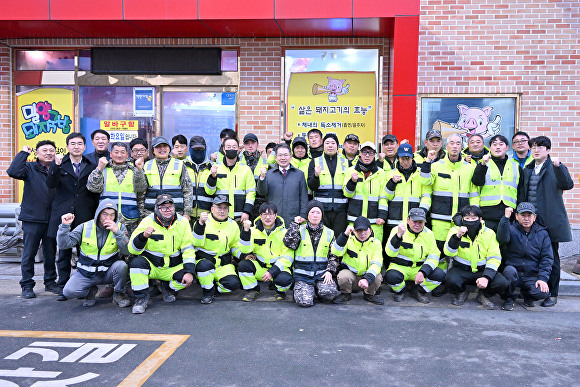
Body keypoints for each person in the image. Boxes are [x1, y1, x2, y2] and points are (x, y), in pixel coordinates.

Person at [520, 135, 574, 307]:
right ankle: (535, 290)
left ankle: (553, 293)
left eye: (540, 147)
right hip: (531, 221)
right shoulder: (528, 169)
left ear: (548, 150)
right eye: (533, 147)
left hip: (550, 221)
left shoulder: (554, 166)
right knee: (530, 255)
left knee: (551, 257)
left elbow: (568, 184)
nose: (536, 150)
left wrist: (559, 166)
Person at [47, 133, 99, 301]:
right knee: (63, 252)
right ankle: (62, 286)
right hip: (63, 215)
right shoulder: (60, 165)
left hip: (85, 213)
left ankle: (84, 287)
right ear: (67, 147)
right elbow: (50, 184)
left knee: (85, 251)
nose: (76, 146)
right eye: (73, 144)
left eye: (80, 144)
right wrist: (55, 165)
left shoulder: (92, 165)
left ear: (85, 147)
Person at [128, 194, 196, 314]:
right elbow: (132, 249)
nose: (168, 210)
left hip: (173, 268)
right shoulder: (147, 221)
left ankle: (167, 287)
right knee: (136, 264)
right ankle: (141, 298)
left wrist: (189, 272)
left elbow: (188, 249)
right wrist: (143, 236)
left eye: (170, 207)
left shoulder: (183, 222)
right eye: (163, 207)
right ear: (156, 209)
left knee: (190, 277)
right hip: (153, 266)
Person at [420, 133, 479, 270]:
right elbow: (425, 181)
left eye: (458, 143)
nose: (454, 146)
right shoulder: (436, 166)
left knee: (458, 251)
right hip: (440, 220)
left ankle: (453, 280)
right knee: (439, 253)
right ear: (446, 146)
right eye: (451, 143)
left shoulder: (469, 168)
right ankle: (439, 281)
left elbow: (474, 194)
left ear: (461, 147)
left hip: (461, 220)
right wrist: (428, 161)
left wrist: (475, 216)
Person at [7, 141, 58, 299]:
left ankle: (50, 282)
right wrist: (23, 153)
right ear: (37, 153)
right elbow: (13, 171)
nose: (48, 153)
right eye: (44, 150)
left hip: (53, 218)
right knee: (29, 253)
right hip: (32, 218)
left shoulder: (58, 168)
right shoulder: (29, 168)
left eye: (51, 150)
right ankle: (27, 285)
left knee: (50, 253)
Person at [58, 199, 131, 308]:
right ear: (98, 214)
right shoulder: (85, 227)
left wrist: (117, 233)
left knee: (122, 266)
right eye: (105, 214)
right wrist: (64, 226)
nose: (108, 218)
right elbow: (64, 245)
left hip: (108, 272)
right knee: (68, 292)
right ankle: (90, 292)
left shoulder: (119, 227)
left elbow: (126, 251)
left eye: (112, 215)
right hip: (86, 273)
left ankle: (119, 293)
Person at [443, 205, 507, 310]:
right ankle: (462, 292)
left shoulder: (489, 233)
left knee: (501, 283)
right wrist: (457, 237)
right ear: (462, 219)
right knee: (450, 280)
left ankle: (484, 296)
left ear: (480, 219)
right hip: (462, 269)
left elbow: (494, 257)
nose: (470, 221)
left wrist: (486, 277)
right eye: (467, 218)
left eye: (474, 218)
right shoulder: (454, 230)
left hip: (483, 270)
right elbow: (448, 253)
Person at [283, 200, 340, 307]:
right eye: (312, 212)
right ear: (307, 214)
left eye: (318, 212)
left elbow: (334, 255)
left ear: (322, 215)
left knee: (330, 294)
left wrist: (329, 271)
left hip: (321, 275)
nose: (315, 215)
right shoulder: (299, 229)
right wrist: (295, 224)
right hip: (303, 276)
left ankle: (316, 290)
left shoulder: (329, 233)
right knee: (305, 302)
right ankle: (307, 290)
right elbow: (289, 243)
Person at [497, 203, 553, 310]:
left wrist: (542, 279)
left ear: (534, 217)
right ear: (517, 216)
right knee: (508, 272)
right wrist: (505, 218)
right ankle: (509, 298)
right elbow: (502, 238)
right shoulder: (511, 229)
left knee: (542, 292)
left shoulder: (543, 234)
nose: (526, 218)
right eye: (523, 215)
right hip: (514, 272)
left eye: (529, 215)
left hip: (532, 274)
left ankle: (527, 295)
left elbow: (547, 258)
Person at [384, 208, 445, 303]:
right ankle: (401, 291)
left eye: (420, 222)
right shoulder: (397, 230)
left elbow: (434, 256)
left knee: (439, 274)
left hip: (419, 268)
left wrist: (423, 272)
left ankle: (417, 291)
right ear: (408, 220)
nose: (417, 225)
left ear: (424, 222)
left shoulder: (429, 234)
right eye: (414, 221)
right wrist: (398, 236)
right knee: (391, 276)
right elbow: (390, 253)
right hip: (400, 267)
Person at [87, 142, 147, 235]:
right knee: (108, 247)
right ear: (110, 154)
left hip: (130, 220)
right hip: (107, 219)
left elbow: (141, 189)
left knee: (128, 247)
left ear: (127, 154)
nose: (119, 155)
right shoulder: (103, 169)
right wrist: (99, 168)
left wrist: (139, 170)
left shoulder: (135, 170)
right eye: (116, 152)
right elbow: (92, 188)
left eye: (123, 152)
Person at [237, 202, 294, 301]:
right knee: (243, 265)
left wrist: (272, 272)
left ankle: (279, 291)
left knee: (286, 280)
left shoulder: (285, 233)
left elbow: (288, 257)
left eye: (270, 214)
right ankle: (253, 290)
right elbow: (244, 250)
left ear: (275, 216)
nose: (267, 217)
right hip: (260, 268)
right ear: (260, 216)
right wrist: (245, 231)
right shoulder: (253, 231)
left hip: (277, 269)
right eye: (264, 214)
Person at [193, 195, 243, 304]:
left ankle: (214, 287)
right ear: (212, 209)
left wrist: (244, 256)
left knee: (234, 284)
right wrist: (200, 224)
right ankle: (208, 292)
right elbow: (195, 243)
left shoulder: (233, 224)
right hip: (205, 263)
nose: (222, 211)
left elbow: (235, 246)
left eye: (225, 208)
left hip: (223, 266)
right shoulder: (203, 221)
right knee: (204, 266)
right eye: (219, 207)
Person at [471, 134, 523, 232]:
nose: (498, 147)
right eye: (494, 145)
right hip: (487, 214)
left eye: (501, 144)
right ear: (490, 148)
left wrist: (519, 213)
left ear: (507, 147)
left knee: (506, 244)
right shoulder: (484, 164)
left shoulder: (515, 166)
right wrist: (482, 164)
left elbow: (521, 191)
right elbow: (476, 182)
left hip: (509, 214)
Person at [331, 216, 384, 305]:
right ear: (354, 231)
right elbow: (336, 251)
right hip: (352, 277)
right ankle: (346, 294)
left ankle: (369, 294)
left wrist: (367, 279)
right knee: (343, 276)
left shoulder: (376, 243)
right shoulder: (347, 240)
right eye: (359, 230)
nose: (362, 233)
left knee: (378, 277)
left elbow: (376, 263)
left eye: (365, 230)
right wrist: (345, 234)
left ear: (370, 230)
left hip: (367, 279)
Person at [343, 141, 388, 242]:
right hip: (354, 220)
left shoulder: (381, 173)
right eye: (364, 152)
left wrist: (382, 216)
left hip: (374, 222)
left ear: (375, 155)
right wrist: (352, 182)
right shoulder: (351, 171)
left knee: (374, 252)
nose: (367, 155)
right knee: (354, 252)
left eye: (370, 153)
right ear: (359, 153)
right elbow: (347, 194)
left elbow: (383, 196)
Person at [141, 136, 193, 220]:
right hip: (151, 214)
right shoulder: (146, 165)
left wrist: (187, 213)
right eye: (158, 147)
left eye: (164, 146)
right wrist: (142, 214)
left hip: (176, 213)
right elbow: (141, 193)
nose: (162, 149)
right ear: (153, 150)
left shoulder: (179, 165)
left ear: (169, 149)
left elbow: (187, 190)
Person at [257, 143, 308, 228]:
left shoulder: (299, 174)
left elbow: (303, 197)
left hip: (294, 218)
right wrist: (262, 178)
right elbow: (262, 192)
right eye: (280, 155)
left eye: (286, 155)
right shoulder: (269, 174)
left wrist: (303, 215)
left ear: (291, 157)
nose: (283, 158)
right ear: (276, 158)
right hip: (273, 219)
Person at [308, 133, 349, 236]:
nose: (330, 145)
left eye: (333, 143)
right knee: (322, 239)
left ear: (337, 146)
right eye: (327, 143)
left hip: (341, 210)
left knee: (338, 239)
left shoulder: (346, 163)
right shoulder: (315, 162)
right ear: (323, 145)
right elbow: (311, 186)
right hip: (321, 210)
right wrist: (316, 176)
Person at [206, 137, 256, 222]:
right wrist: (212, 177)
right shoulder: (216, 168)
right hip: (220, 217)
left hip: (240, 217)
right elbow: (209, 192)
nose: (231, 149)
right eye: (228, 147)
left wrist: (246, 211)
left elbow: (251, 192)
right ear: (224, 150)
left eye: (234, 147)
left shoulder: (246, 169)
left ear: (238, 149)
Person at [184, 135, 213, 222]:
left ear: (205, 149)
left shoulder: (212, 167)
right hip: (186, 217)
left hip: (207, 217)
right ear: (190, 149)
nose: (198, 152)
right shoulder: (182, 166)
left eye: (201, 149)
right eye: (196, 149)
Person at [239, 133, 268, 220]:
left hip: (260, 204)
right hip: (242, 202)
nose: (250, 146)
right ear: (243, 145)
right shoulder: (238, 160)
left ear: (257, 144)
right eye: (247, 143)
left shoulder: (264, 162)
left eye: (253, 143)